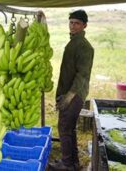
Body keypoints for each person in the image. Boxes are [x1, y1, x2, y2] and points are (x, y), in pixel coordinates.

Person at [49, 10, 94, 171]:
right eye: (71, 22)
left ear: (84, 25)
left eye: (77, 23)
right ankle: (73, 163)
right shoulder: (74, 42)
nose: (73, 26)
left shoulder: (84, 46)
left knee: (64, 129)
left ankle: (67, 164)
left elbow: (82, 75)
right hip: (70, 92)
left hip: (74, 94)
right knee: (69, 129)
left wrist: (68, 97)